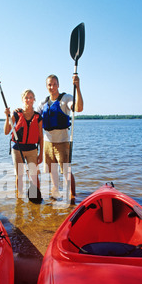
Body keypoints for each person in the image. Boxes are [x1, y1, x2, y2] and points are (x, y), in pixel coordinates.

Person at [37, 74, 83, 202]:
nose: (52, 87)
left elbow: (79, 108)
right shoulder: (43, 103)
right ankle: (55, 192)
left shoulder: (66, 98)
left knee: (66, 172)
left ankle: (73, 197)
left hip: (62, 142)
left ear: (58, 85)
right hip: (47, 142)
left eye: (54, 84)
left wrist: (77, 87)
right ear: (46, 86)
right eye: (49, 85)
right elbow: (34, 117)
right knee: (52, 171)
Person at [4, 89, 43, 197]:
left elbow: (40, 137)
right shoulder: (16, 114)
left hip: (32, 149)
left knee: (34, 176)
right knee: (19, 176)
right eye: (26, 97)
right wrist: (7, 117)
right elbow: (6, 131)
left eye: (31, 97)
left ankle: (36, 198)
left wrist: (41, 154)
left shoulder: (38, 117)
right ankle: (19, 199)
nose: (28, 99)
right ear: (22, 99)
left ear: (34, 100)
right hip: (18, 149)